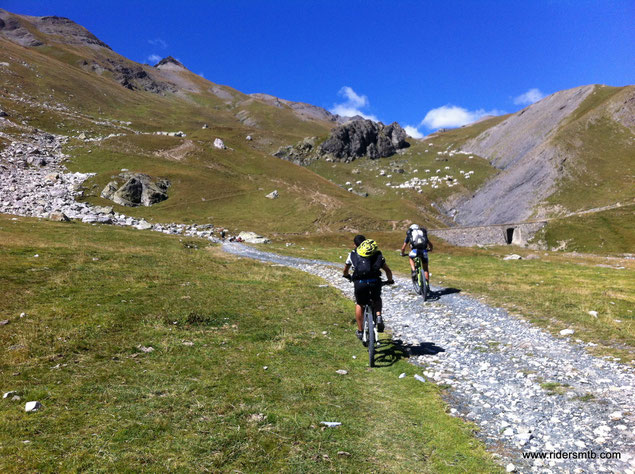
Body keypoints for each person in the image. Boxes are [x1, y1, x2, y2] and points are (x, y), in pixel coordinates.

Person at [343, 235, 394, 341]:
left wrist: (347, 276)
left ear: (354, 244)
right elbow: (388, 271)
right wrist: (390, 281)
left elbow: (345, 270)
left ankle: (360, 331)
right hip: (375, 282)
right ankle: (379, 316)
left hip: (360, 283)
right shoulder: (375, 253)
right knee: (376, 298)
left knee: (359, 304)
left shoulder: (352, 254)